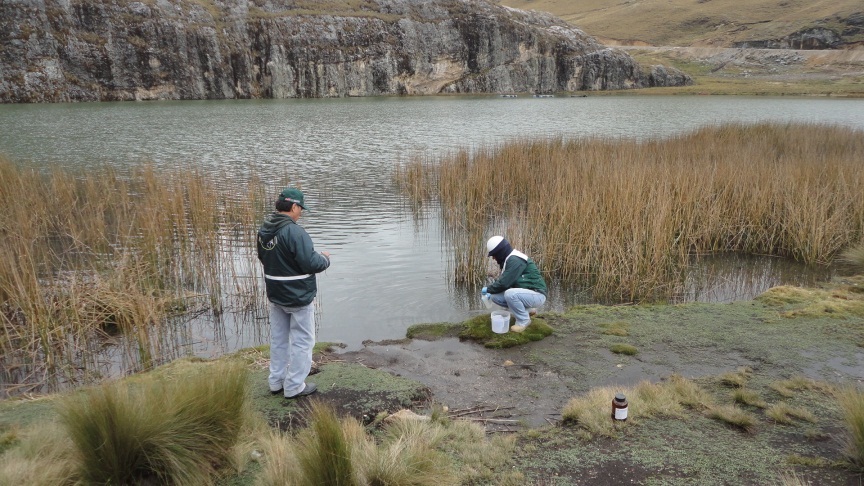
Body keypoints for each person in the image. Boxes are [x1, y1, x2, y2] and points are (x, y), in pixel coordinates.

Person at [257, 187, 331, 399]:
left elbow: (264, 258)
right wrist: (325, 258)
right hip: (297, 295)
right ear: (294, 206)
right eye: (300, 208)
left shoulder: (264, 230)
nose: (301, 212)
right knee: (303, 341)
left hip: (275, 293)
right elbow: (310, 263)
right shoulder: (295, 232)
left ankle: (276, 381)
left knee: (279, 339)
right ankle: (294, 386)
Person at [481, 235, 547, 333]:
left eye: (494, 255)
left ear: (501, 252)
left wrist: (488, 289)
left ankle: (523, 321)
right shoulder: (509, 260)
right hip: (527, 294)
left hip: (537, 294)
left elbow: (504, 283)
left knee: (510, 294)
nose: (494, 258)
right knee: (495, 297)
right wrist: (492, 292)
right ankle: (528, 311)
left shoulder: (515, 260)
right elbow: (505, 282)